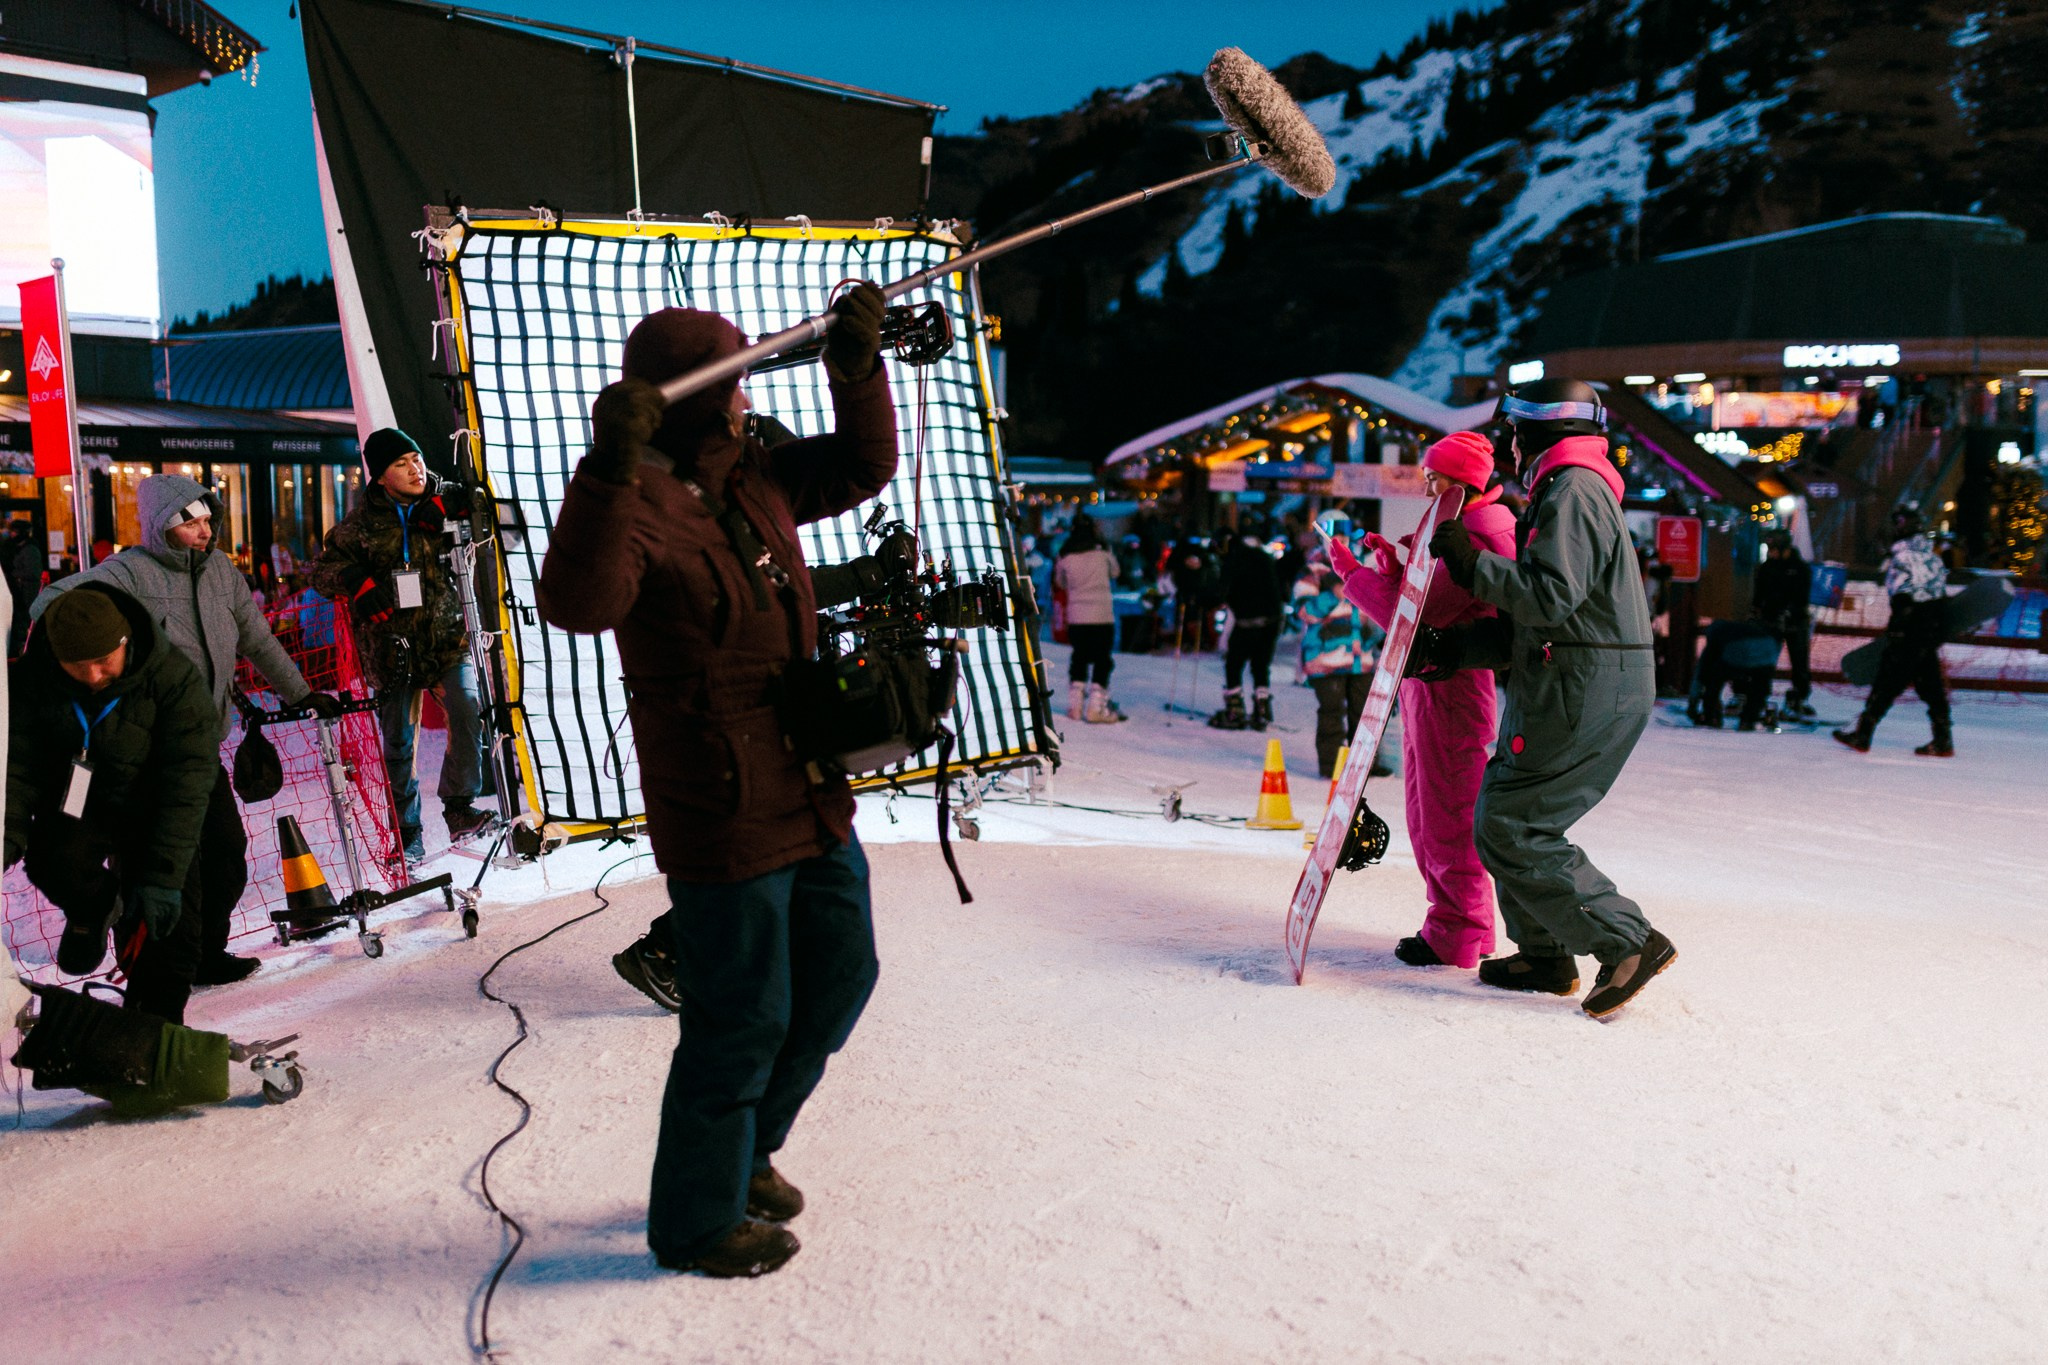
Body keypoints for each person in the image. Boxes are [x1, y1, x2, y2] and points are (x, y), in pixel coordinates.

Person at [538, 285, 895, 1279]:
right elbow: (578, 600)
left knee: (838, 976)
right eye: (730, 382)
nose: (745, 396)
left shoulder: (757, 477)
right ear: (692, 398)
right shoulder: (641, 503)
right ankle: (695, 1219)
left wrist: (855, 368)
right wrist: (607, 470)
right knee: (741, 1018)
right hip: (721, 803)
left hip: (809, 784)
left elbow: (866, 465)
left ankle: (746, 1154)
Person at [1423, 380, 1677, 1017]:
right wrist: (1457, 650)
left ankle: (1627, 941)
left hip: (1586, 684)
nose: (1508, 443)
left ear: (1539, 431)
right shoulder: (1565, 488)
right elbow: (1541, 618)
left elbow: (1548, 595)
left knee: (1515, 821)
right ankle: (1543, 953)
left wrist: (1467, 562)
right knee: (1505, 808)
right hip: (1570, 676)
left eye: (1514, 430)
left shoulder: (1574, 490)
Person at [34, 475, 342, 985]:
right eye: (190, 523)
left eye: (206, 521)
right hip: (142, 753)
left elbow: (259, 640)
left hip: (198, 748)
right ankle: (151, 964)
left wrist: (300, 693)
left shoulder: (221, 571)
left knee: (225, 858)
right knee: (171, 868)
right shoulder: (129, 572)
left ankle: (203, 952)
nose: (204, 532)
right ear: (160, 527)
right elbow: (52, 605)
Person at [1333, 431, 1517, 969]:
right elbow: (1427, 594)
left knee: (1447, 813)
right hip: (1434, 683)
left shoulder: (1476, 531)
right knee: (1427, 808)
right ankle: (1462, 924)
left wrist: (1352, 573)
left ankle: (1457, 928)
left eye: (1436, 476)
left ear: (1462, 481)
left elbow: (1415, 617)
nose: (1427, 485)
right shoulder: (1462, 524)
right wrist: (1393, 564)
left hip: (1451, 686)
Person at [4, 585, 219, 1022]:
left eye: (105, 661)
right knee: (49, 859)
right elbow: (16, 766)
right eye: (78, 666)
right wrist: (6, 833)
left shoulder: (173, 678)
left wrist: (163, 876)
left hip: (155, 803)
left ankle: (153, 1030)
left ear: (125, 642)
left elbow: (187, 779)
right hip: (79, 799)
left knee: (168, 915)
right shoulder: (31, 683)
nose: (96, 675)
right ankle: (92, 908)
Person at [310, 429, 490, 861]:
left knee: (468, 709)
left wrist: (461, 502)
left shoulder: (446, 496)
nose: (415, 469)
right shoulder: (360, 524)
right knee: (397, 745)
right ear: (380, 477)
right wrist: (354, 580)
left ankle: (460, 806)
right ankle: (407, 833)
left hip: (447, 639)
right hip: (391, 649)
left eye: (417, 457)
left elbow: (486, 500)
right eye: (400, 464)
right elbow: (322, 571)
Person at [1834, 506, 1953, 756]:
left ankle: (1863, 733)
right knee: (1930, 683)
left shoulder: (1902, 558)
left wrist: (1898, 629)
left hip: (1909, 630)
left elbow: (1902, 597)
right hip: (1929, 629)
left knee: (1888, 681)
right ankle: (1943, 739)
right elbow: (1940, 595)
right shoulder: (1933, 558)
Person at [1295, 549, 1383, 779]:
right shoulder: (1313, 571)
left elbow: (1374, 613)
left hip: (1359, 659)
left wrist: (1373, 639)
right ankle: (1331, 766)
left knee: (1364, 714)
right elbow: (1304, 611)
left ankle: (1364, 766)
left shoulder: (1360, 566)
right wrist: (1336, 592)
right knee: (1332, 711)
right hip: (1324, 661)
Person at [1208, 528, 1286, 731]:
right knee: (1261, 665)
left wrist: (1200, 599)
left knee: (1234, 663)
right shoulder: (1264, 556)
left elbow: (1221, 592)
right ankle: (1262, 709)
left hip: (1247, 621)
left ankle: (1235, 709)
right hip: (1272, 620)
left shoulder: (1234, 560)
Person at [1053, 515, 1124, 723]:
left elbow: (1060, 582)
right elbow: (1116, 572)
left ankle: (1075, 706)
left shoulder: (1064, 554)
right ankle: (1096, 706)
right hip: (1102, 615)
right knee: (1102, 659)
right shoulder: (1103, 550)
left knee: (1079, 657)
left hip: (1077, 616)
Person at [1752, 529, 1814, 718]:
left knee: (1799, 661)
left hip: (1795, 621)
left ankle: (1800, 696)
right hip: (1771, 619)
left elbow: (1802, 595)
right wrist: (1756, 610)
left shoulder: (1800, 568)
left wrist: (1792, 611)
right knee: (1765, 659)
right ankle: (1759, 695)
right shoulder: (1767, 567)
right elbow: (1759, 593)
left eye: (1773, 548)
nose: (1771, 552)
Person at [1689, 618, 1780, 730]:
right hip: (1766, 651)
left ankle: (1711, 716)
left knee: (1713, 679)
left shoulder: (1716, 634)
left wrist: (1693, 703)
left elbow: (1702, 671)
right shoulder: (1746, 626)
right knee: (1760, 685)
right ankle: (1749, 719)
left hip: (1737, 651)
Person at [5, 519, 41, 655]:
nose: (11, 535)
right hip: (21, 592)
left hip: (27, 592)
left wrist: (14, 574)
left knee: (25, 621)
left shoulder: (30, 550)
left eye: (14, 532)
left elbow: (33, 572)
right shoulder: (18, 548)